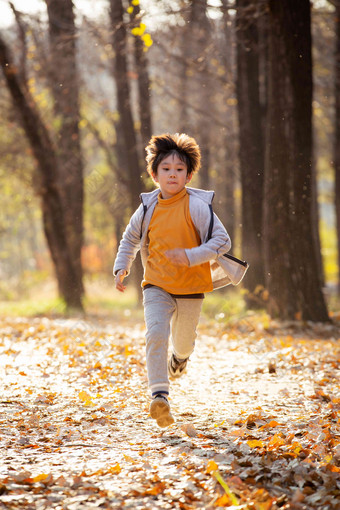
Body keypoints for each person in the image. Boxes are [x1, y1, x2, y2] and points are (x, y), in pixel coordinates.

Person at [114, 133, 247, 428]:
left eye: (179, 170)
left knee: (184, 343)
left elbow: (221, 241)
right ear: (154, 174)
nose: (172, 175)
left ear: (188, 175)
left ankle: (180, 359)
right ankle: (159, 397)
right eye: (166, 169)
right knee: (156, 333)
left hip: (191, 287)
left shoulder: (197, 206)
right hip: (156, 284)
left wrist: (191, 256)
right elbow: (130, 238)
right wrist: (122, 266)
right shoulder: (148, 207)